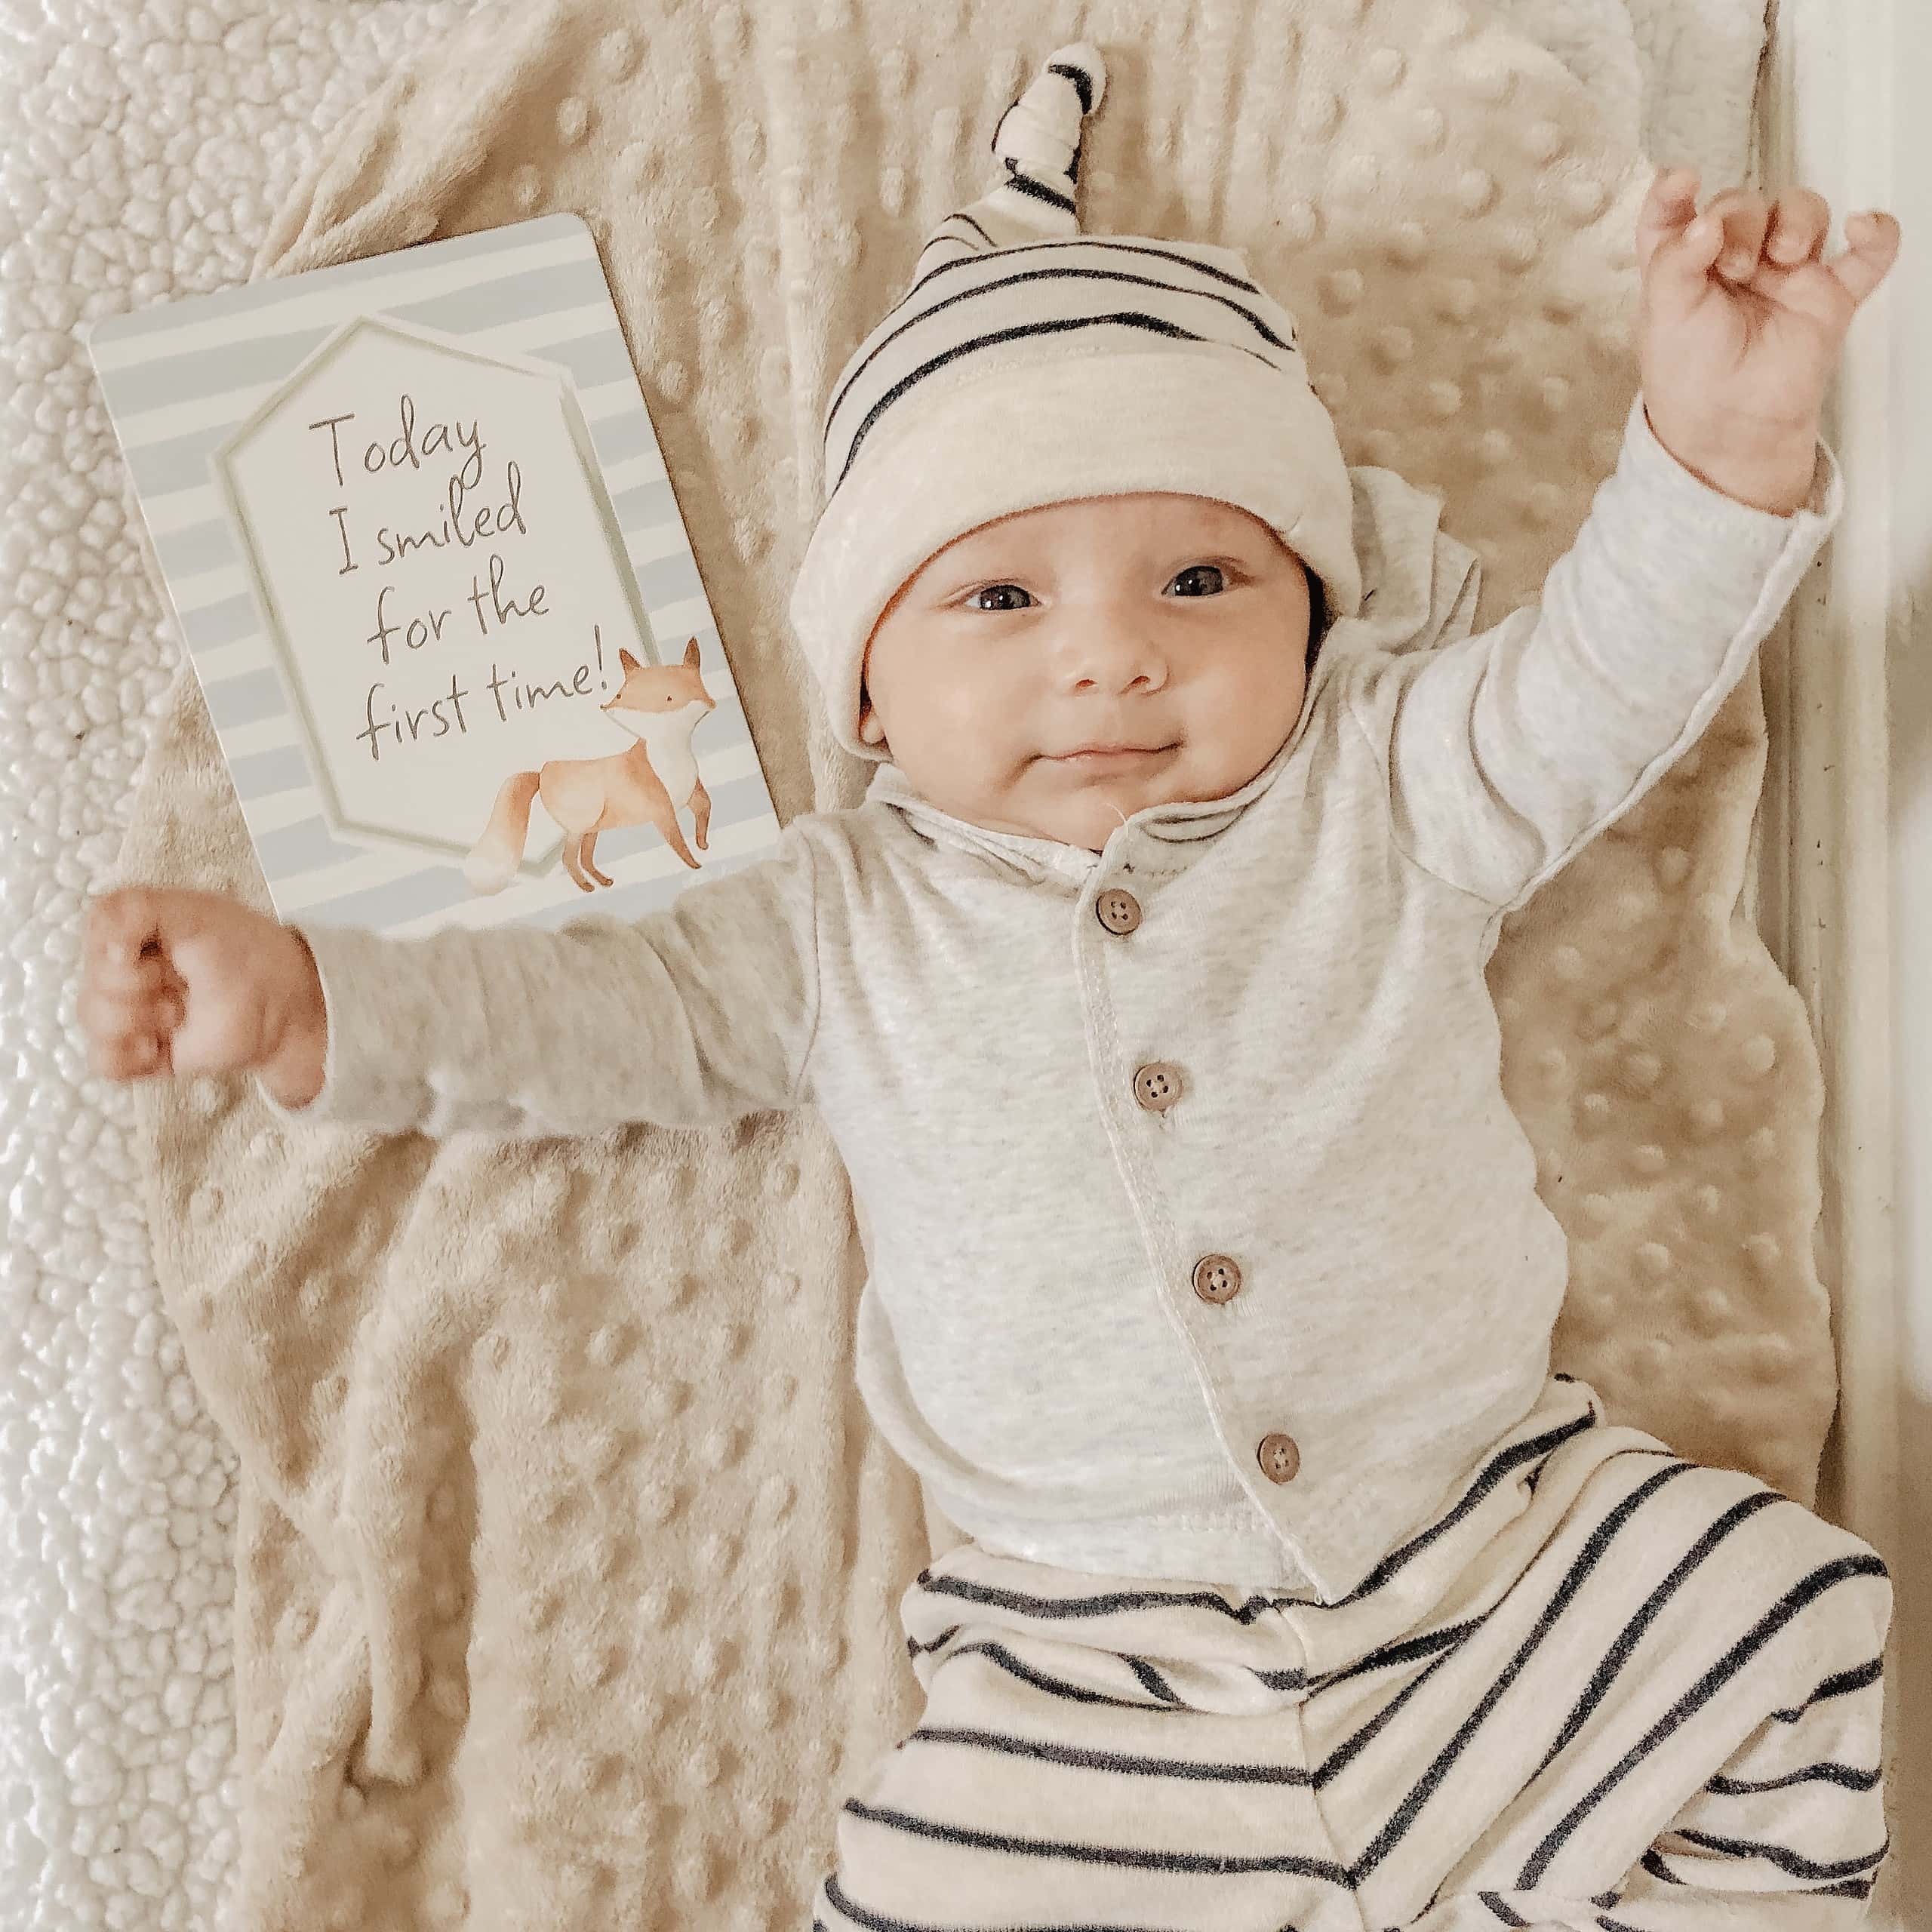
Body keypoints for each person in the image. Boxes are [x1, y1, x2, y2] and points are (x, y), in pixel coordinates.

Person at [80, 44, 1902, 1929]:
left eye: (1200, 579)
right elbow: (578, 1009)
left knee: (1793, 1628)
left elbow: (1602, 681)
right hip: (1085, 1672)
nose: (1110, 658)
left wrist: (1719, 443)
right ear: (867, 693)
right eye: (1002, 601)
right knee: (919, 1888)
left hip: (1489, 1551)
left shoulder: (1383, 781)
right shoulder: (838, 915)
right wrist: (310, 1000)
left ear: (1313, 608)